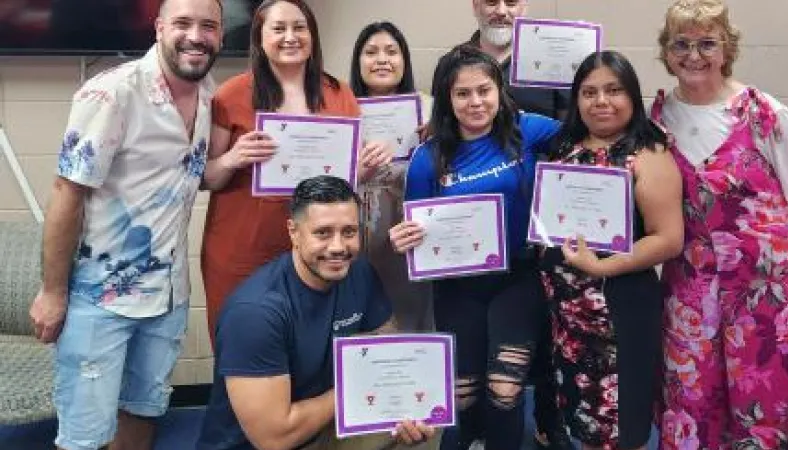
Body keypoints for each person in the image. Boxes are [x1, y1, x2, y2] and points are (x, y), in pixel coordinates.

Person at [27, 0, 222, 449]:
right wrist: (53, 291)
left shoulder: (210, 94)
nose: (196, 36)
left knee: (144, 407)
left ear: (220, 36)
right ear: (158, 28)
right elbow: (67, 191)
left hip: (170, 294)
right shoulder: (113, 93)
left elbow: (193, 173)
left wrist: (235, 158)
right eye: (183, 24)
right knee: (85, 433)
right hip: (101, 300)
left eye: (208, 26)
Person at [651, 1, 788, 448]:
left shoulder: (764, 114)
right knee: (694, 398)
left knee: (770, 399)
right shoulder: (657, 121)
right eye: (681, 43)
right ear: (666, 51)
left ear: (726, 49)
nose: (693, 55)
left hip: (771, 288)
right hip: (692, 288)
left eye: (706, 43)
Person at [389, 44, 561, 450]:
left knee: (505, 389)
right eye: (462, 93)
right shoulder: (427, 159)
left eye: (484, 90)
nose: (476, 102)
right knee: (463, 394)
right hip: (456, 286)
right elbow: (415, 229)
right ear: (447, 99)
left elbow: (587, 134)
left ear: (499, 90)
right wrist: (404, 239)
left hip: (517, 278)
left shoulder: (529, 130)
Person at [196, 176, 436, 450]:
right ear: (293, 232)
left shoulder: (358, 271)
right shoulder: (255, 313)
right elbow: (274, 438)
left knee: (424, 425)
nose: (338, 247)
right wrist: (362, 386)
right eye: (322, 233)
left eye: (349, 232)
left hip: (324, 424)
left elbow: (386, 342)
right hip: (262, 443)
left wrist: (401, 402)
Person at [200, 0, 393, 339]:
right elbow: (207, 177)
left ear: (313, 36)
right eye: (278, 28)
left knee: (310, 351)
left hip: (317, 250)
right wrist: (232, 158)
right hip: (243, 250)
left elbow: (344, 182)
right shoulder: (231, 95)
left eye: (299, 27)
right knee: (243, 347)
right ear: (260, 38)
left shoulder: (338, 94)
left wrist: (363, 170)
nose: (290, 37)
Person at [538, 51, 683, 450]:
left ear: (632, 97)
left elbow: (668, 238)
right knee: (584, 423)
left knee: (621, 426)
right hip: (566, 313)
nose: (601, 101)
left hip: (619, 309)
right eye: (589, 92)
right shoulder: (565, 145)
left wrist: (603, 268)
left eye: (613, 90)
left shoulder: (648, 154)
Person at [465, 2, 571, 446]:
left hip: (542, 229)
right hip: (477, 237)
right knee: (477, 344)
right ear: (475, 5)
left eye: (512, 0)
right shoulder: (460, 63)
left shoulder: (552, 61)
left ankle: (549, 422)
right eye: (492, 0)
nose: (502, 10)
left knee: (548, 337)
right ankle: (474, 430)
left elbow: (573, 136)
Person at [349, 21, 434, 332]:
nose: (382, 59)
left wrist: (435, 144)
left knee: (411, 311)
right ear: (358, 62)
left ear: (404, 61)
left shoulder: (430, 109)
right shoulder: (341, 109)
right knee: (362, 310)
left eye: (391, 52)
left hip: (408, 224)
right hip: (358, 224)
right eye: (371, 52)